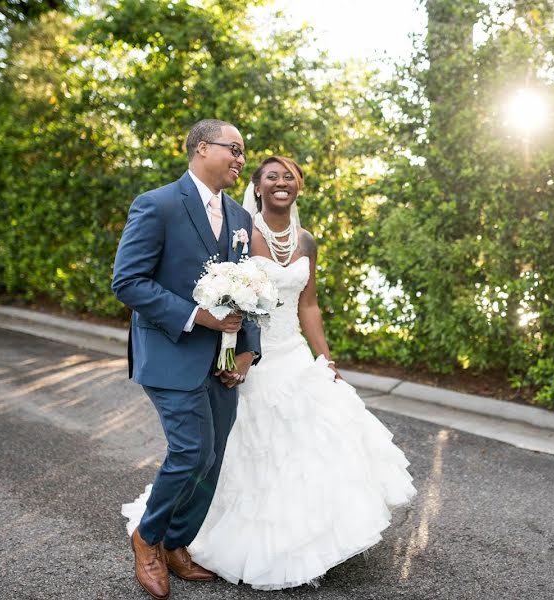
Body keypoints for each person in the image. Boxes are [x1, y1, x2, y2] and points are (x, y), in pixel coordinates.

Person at [123, 156, 416, 591]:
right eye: (271, 176)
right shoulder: (228, 224)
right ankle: (154, 538)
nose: (282, 182)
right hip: (226, 352)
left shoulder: (292, 236)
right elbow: (220, 292)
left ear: (300, 186)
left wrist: (323, 358)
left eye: (291, 177)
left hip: (285, 353)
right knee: (201, 452)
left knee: (268, 454)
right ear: (257, 187)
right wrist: (235, 347)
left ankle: (215, 541)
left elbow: (307, 304)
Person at [113, 119, 262, 600]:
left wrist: (246, 352)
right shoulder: (156, 204)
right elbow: (129, 282)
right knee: (191, 451)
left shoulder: (240, 218)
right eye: (233, 149)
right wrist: (199, 316)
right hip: (170, 349)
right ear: (202, 148)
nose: (241, 159)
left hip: (222, 362)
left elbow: (250, 292)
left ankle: (178, 543)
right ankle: (148, 537)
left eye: (243, 152)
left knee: (213, 458)